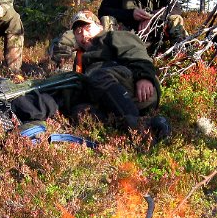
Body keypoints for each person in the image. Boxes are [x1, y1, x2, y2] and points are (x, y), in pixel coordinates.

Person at [63, 10, 169, 139]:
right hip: (110, 99)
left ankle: (137, 128)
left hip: (139, 90)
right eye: (78, 32)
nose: (84, 35)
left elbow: (136, 52)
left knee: (98, 76)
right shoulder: (80, 58)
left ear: (100, 26)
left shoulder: (113, 37)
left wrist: (144, 77)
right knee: (79, 112)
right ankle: (150, 126)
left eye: (88, 28)